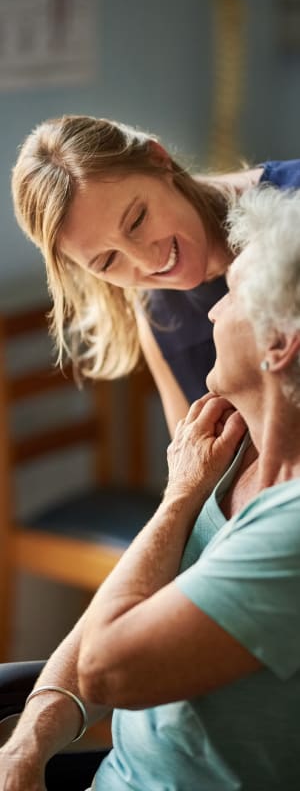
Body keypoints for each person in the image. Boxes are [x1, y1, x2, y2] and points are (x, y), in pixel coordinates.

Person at [1, 184, 300, 790]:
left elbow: (108, 669)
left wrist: (176, 499)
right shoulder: (225, 447)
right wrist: (28, 743)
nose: (209, 310)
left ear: (279, 343)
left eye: (233, 295)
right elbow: (124, 610)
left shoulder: (287, 525)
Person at [11, 115, 300, 434]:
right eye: (107, 261)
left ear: (158, 160)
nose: (148, 260)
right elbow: (193, 464)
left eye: (136, 220)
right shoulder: (157, 317)